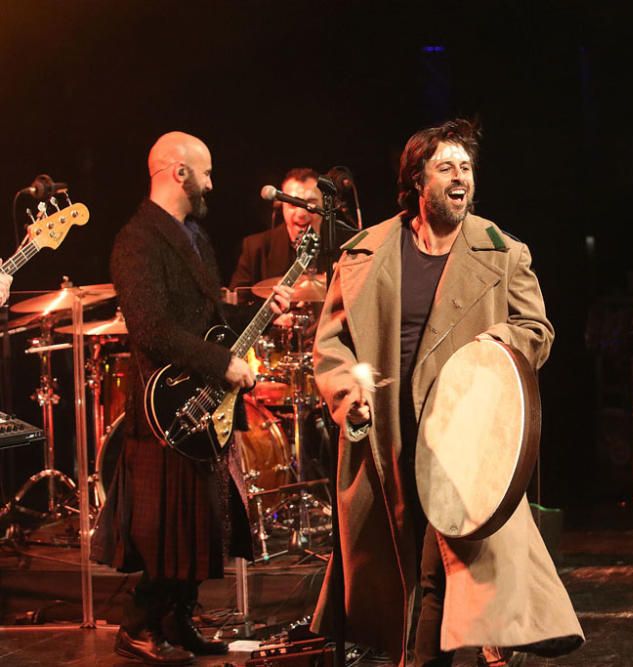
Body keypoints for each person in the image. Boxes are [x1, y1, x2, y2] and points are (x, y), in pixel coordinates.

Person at [309, 119, 583, 667]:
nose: (461, 177)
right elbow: (331, 345)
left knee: (440, 576)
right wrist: (347, 396)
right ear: (417, 180)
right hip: (388, 434)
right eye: (446, 167)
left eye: (467, 167)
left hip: (464, 439)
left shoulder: (503, 252)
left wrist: (496, 339)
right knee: (402, 572)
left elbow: (537, 330)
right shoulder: (366, 253)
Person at [94, 131, 290, 665]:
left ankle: (176, 622)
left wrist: (265, 315)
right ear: (178, 172)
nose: (212, 183)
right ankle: (136, 626)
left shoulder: (195, 238)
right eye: (205, 172)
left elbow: (212, 325)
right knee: (166, 533)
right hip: (166, 409)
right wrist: (220, 364)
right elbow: (152, 329)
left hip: (200, 402)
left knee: (198, 525)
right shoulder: (136, 240)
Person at [229, 166, 323, 289]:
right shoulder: (255, 248)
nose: (301, 213)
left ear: (324, 204)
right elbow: (238, 302)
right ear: (281, 206)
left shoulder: (345, 247)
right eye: (293, 204)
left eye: (310, 203)